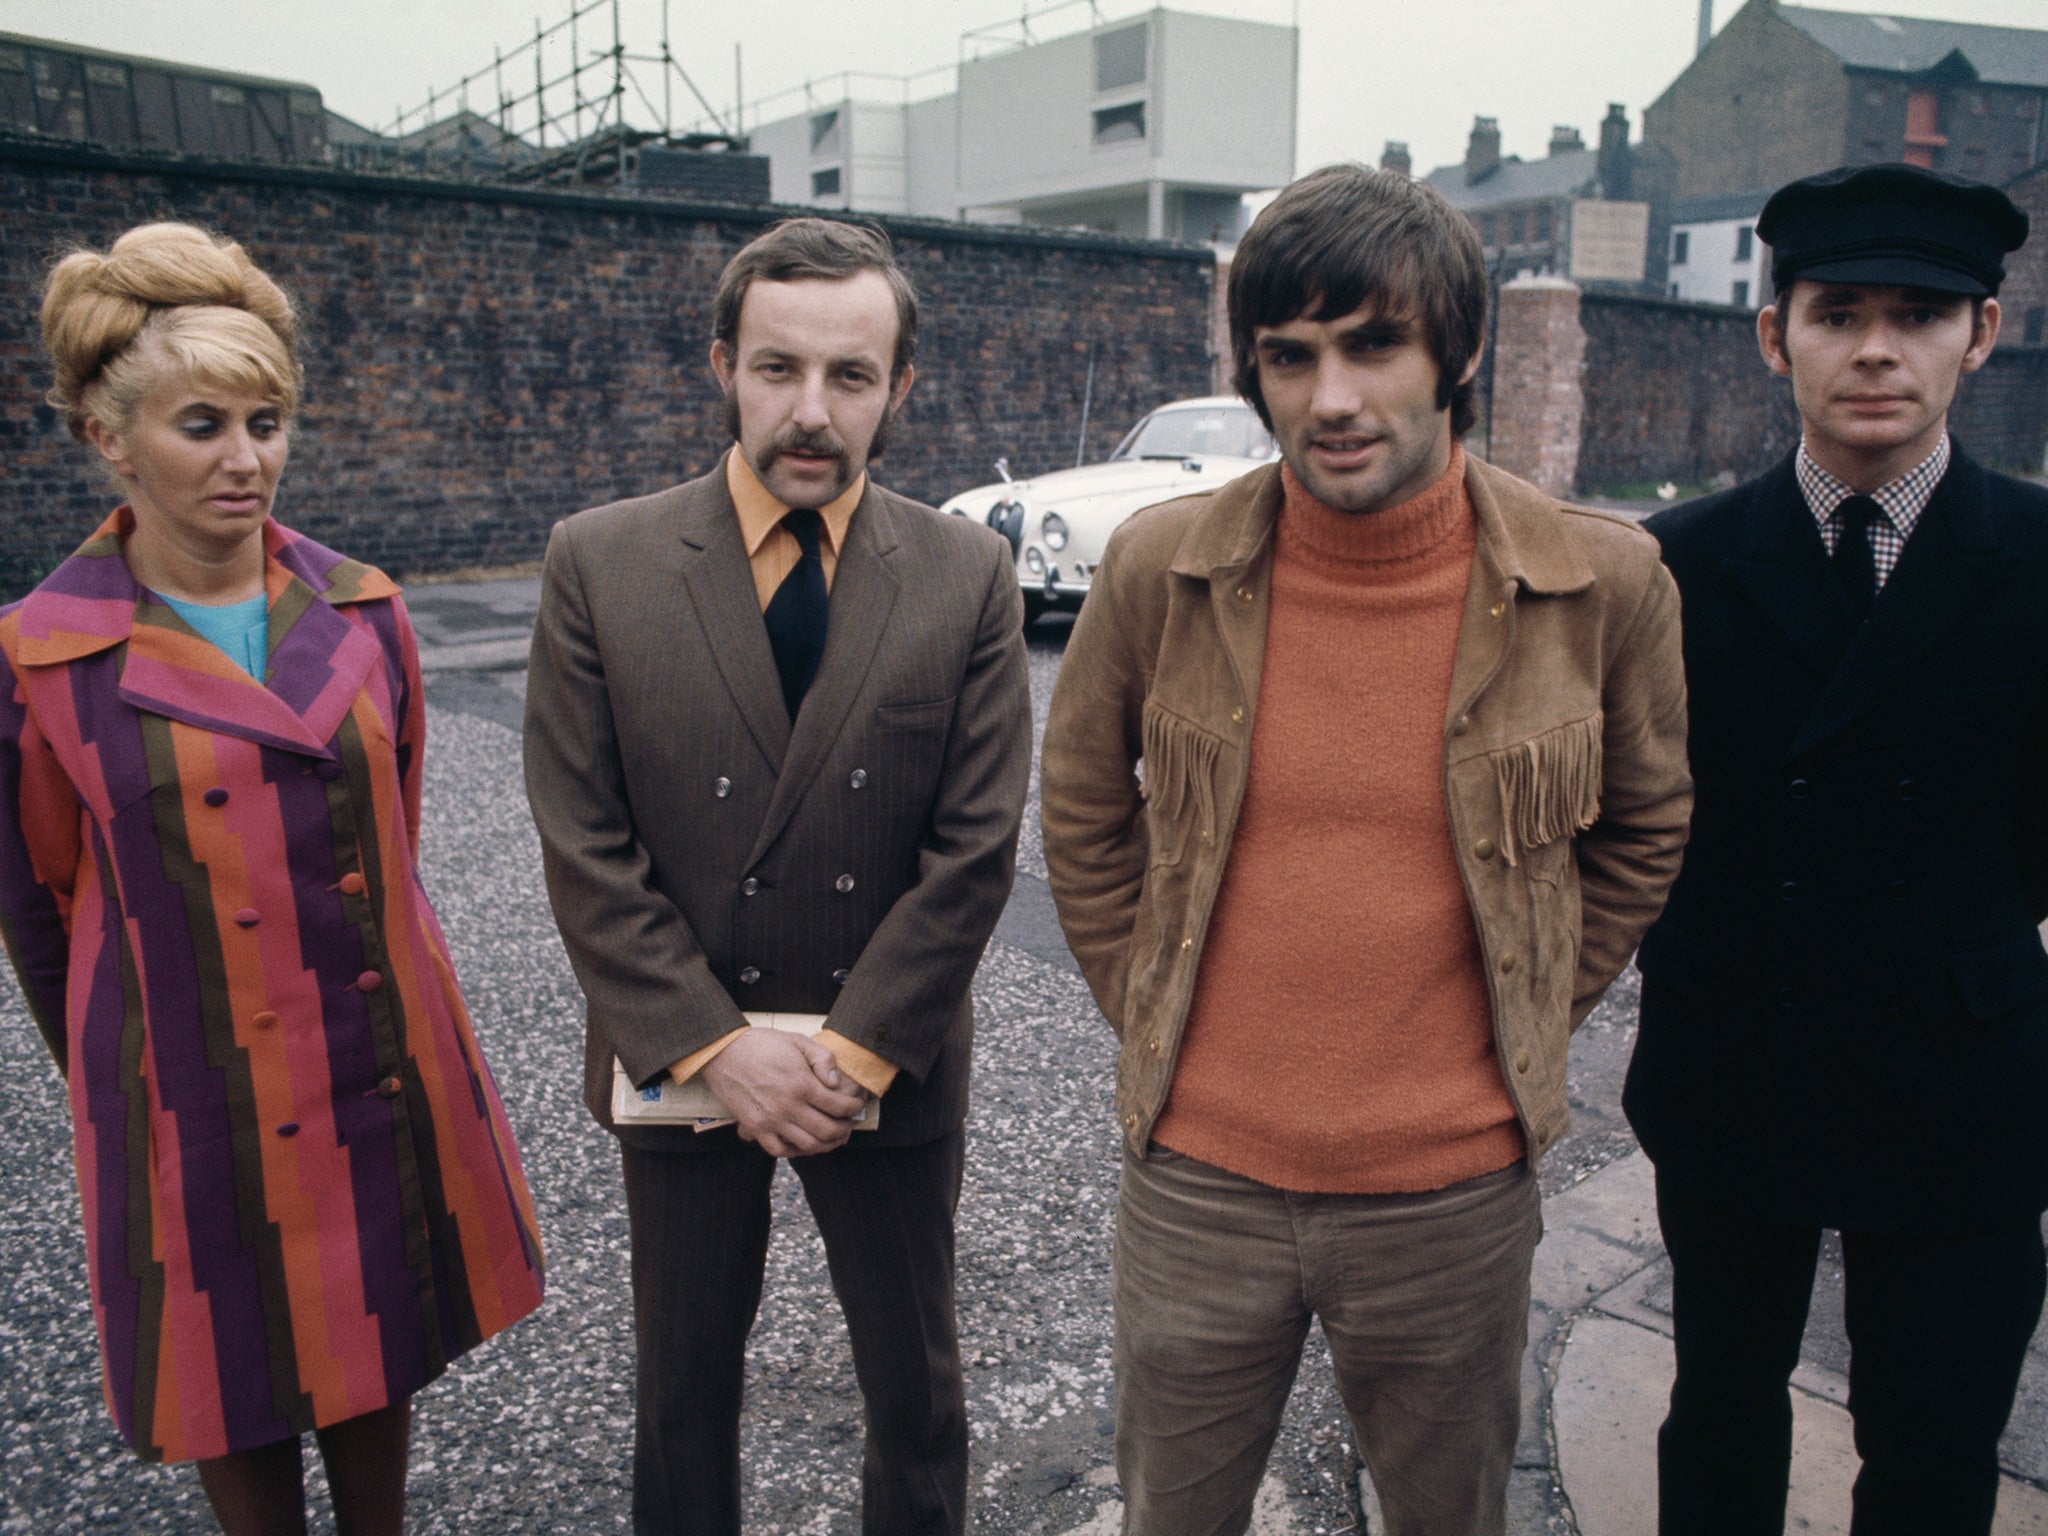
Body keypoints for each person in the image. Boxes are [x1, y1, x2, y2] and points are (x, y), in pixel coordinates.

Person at [1038, 164, 1692, 1536]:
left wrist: (1525, 1005)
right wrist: (1150, 1007)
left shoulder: (1598, 583)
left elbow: (1648, 821)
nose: (1330, 397)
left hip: (1450, 1198)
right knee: (1174, 1515)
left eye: (1373, 344)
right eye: (1291, 356)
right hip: (1197, 1186)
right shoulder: (1161, 572)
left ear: (1457, 353)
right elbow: (1086, 804)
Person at [0, 222, 545, 1534]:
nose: (247, 459)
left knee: (373, 1343)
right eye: (203, 424)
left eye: (269, 419)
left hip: (368, 1052)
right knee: (224, 1375)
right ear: (104, 437)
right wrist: (126, 1076)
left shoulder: (364, 613)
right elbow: (44, 910)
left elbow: (389, 838)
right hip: (185, 1091)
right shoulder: (39, 659)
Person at [522, 216, 1030, 1536]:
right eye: (777, 369)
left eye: (850, 377)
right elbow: (582, 839)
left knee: (917, 1392)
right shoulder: (600, 561)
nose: (812, 411)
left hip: (888, 1058)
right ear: (721, 366)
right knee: (682, 1392)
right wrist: (714, 1048)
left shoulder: (968, 575)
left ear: (900, 388)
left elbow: (973, 853)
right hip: (686, 1061)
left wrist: (848, 1054)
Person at [1626, 163, 2040, 1535]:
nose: (1876, 346)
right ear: (1773, 332)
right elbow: (1624, 812)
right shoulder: (1674, 564)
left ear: (1981, 332)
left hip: (1961, 1085)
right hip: (1740, 1059)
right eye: (1838, 309)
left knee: (1932, 1450)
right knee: (1722, 1417)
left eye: (1920, 313)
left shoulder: (2039, 560)